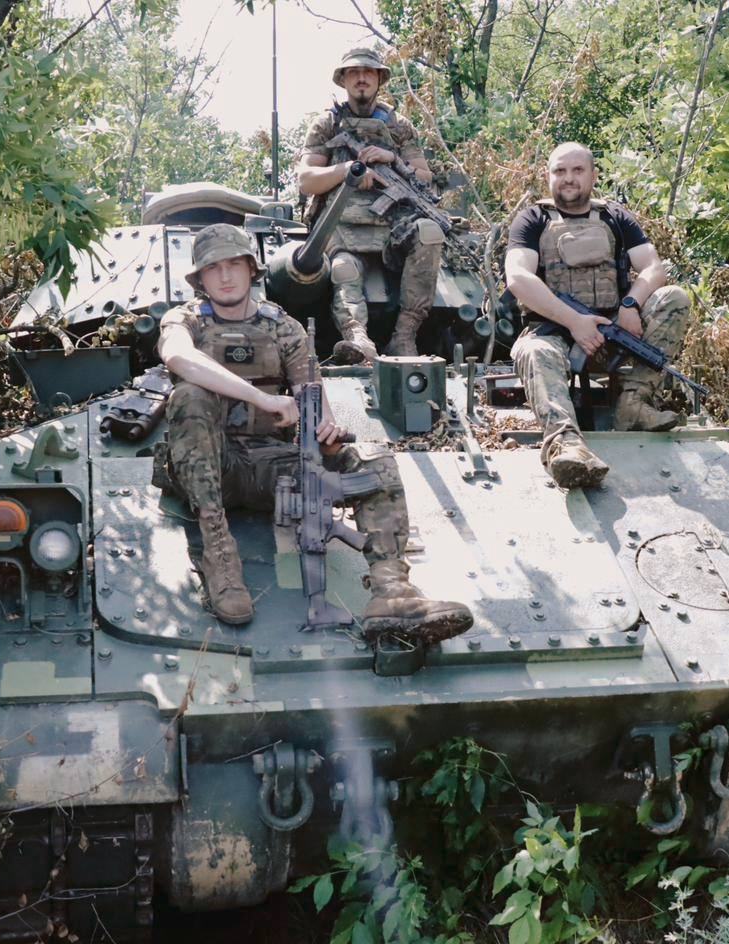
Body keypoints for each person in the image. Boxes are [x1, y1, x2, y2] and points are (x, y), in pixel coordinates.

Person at [157, 223, 472, 642]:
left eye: (234, 264)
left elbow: (312, 397)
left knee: (373, 461)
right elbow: (178, 357)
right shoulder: (185, 320)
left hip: (270, 467)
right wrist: (262, 398)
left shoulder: (282, 327)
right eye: (214, 268)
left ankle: (392, 592)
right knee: (189, 396)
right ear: (200, 278)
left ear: (252, 269)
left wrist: (327, 435)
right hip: (207, 468)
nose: (226, 276)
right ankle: (220, 558)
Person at [505, 142, 692, 489]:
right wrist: (574, 322)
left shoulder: (614, 217)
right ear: (549, 176)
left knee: (674, 298)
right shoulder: (533, 220)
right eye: (560, 171)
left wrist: (630, 304)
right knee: (533, 350)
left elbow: (653, 267)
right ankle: (566, 444)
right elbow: (517, 277)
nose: (568, 178)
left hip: (613, 333)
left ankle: (632, 404)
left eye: (577, 170)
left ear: (593, 175)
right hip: (555, 337)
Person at [297, 46, 443, 363]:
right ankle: (358, 339)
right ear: (343, 80)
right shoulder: (327, 124)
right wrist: (347, 172)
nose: (361, 78)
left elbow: (424, 177)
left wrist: (392, 160)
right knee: (344, 269)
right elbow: (306, 179)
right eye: (354, 72)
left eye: (368, 72)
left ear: (379, 79)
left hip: (394, 225)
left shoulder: (399, 126)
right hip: (341, 225)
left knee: (430, 233)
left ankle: (404, 337)